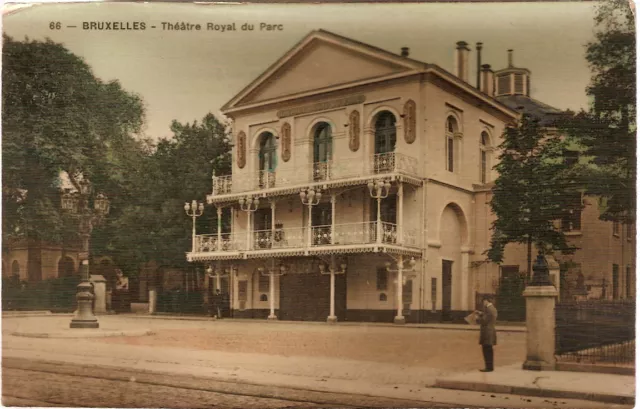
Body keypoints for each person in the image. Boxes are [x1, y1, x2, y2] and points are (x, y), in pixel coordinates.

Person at [475, 296, 498, 372]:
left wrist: (477, 318)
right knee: (489, 350)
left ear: (486, 301)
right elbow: (487, 316)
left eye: (483, 302)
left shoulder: (489, 309)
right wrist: (481, 313)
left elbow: (484, 320)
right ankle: (490, 367)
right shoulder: (492, 308)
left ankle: (488, 367)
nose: (483, 304)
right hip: (490, 331)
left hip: (487, 332)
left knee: (486, 350)